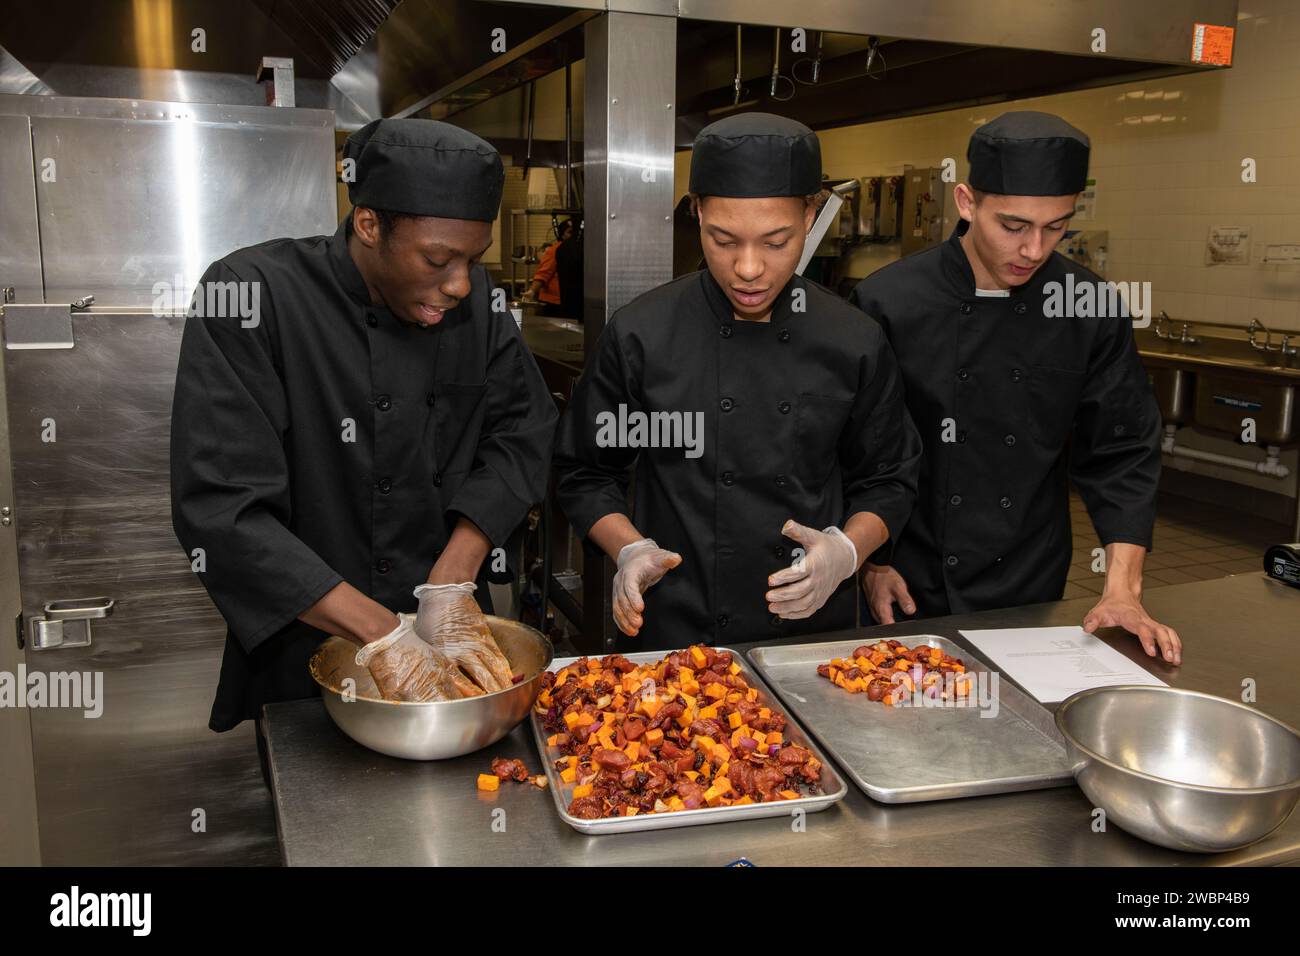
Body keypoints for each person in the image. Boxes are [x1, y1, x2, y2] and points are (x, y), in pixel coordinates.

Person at [170, 118, 559, 751]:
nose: (460, 284)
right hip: (306, 653)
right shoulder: (252, 296)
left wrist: (451, 583)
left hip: (457, 645)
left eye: (472, 259)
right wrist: (384, 635)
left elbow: (524, 431)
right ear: (369, 223)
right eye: (437, 260)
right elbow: (221, 508)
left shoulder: (476, 304)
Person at [553, 113, 921, 648]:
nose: (748, 269)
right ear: (697, 212)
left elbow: (889, 479)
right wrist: (630, 549)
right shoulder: (642, 333)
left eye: (776, 242)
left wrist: (846, 552)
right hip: (675, 626)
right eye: (723, 239)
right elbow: (585, 472)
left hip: (810, 633)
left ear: (811, 215)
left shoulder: (854, 339)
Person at [849, 110, 1181, 664]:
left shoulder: (1088, 305)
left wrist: (1124, 589)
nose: (1035, 250)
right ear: (966, 203)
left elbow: (1121, 451)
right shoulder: (890, 301)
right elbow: (866, 449)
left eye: (1057, 227)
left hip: (1028, 568)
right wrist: (874, 563)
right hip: (911, 566)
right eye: (1014, 226)